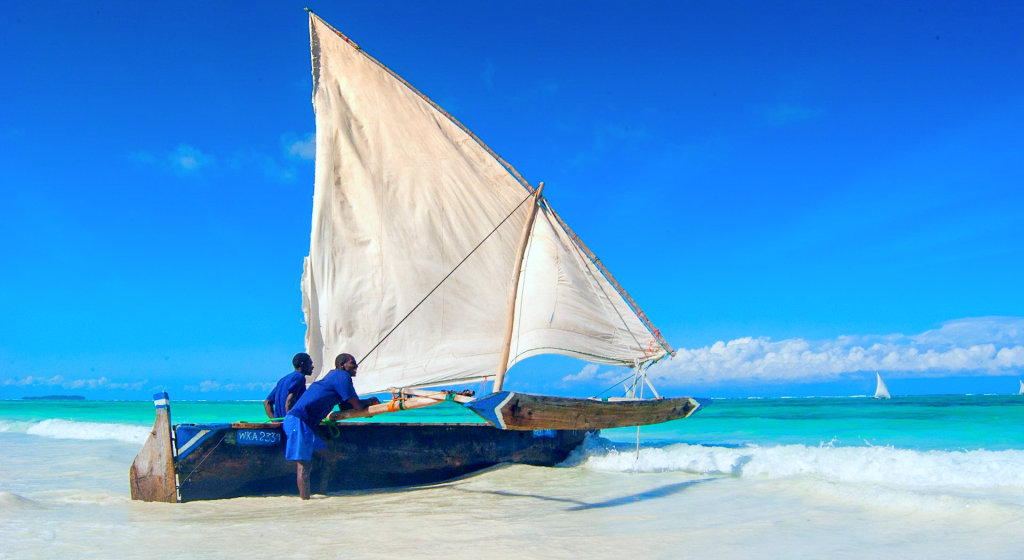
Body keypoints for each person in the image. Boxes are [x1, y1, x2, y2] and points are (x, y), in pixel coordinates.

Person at [283, 353, 380, 499]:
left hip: (306, 426)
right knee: (304, 466)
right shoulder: (342, 376)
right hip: (298, 421)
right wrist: (370, 402)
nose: (356, 366)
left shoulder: (334, 377)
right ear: (342, 365)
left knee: (328, 457)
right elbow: (357, 406)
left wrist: (367, 403)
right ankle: (305, 504)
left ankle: (323, 493)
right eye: (352, 363)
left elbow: (345, 406)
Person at [264, 353, 314, 419]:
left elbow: (267, 402)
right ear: (302, 364)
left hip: (280, 426)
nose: (312, 367)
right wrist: (290, 421)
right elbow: (290, 400)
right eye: (310, 364)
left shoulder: (283, 380)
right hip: (290, 426)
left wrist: (274, 422)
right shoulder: (300, 377)